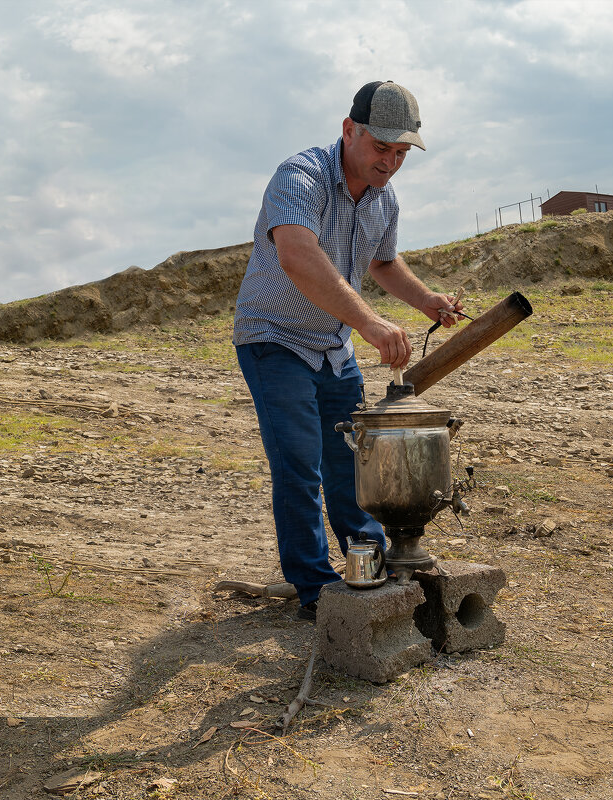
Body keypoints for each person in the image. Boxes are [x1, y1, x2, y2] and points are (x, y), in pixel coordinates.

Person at [232, 81, 464, 620]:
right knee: (298, 465)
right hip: (274, 339)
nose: (390, 162)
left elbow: (382, 263)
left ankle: (369, 565)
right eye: (381, 148)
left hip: (331, 349)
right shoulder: (301, 177)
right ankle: (315, 590)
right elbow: (296, 253)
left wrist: (426, 299)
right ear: (349, 130)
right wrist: (369, 322)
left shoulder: (384, 201)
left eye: (401, 153)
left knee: (353, 464)